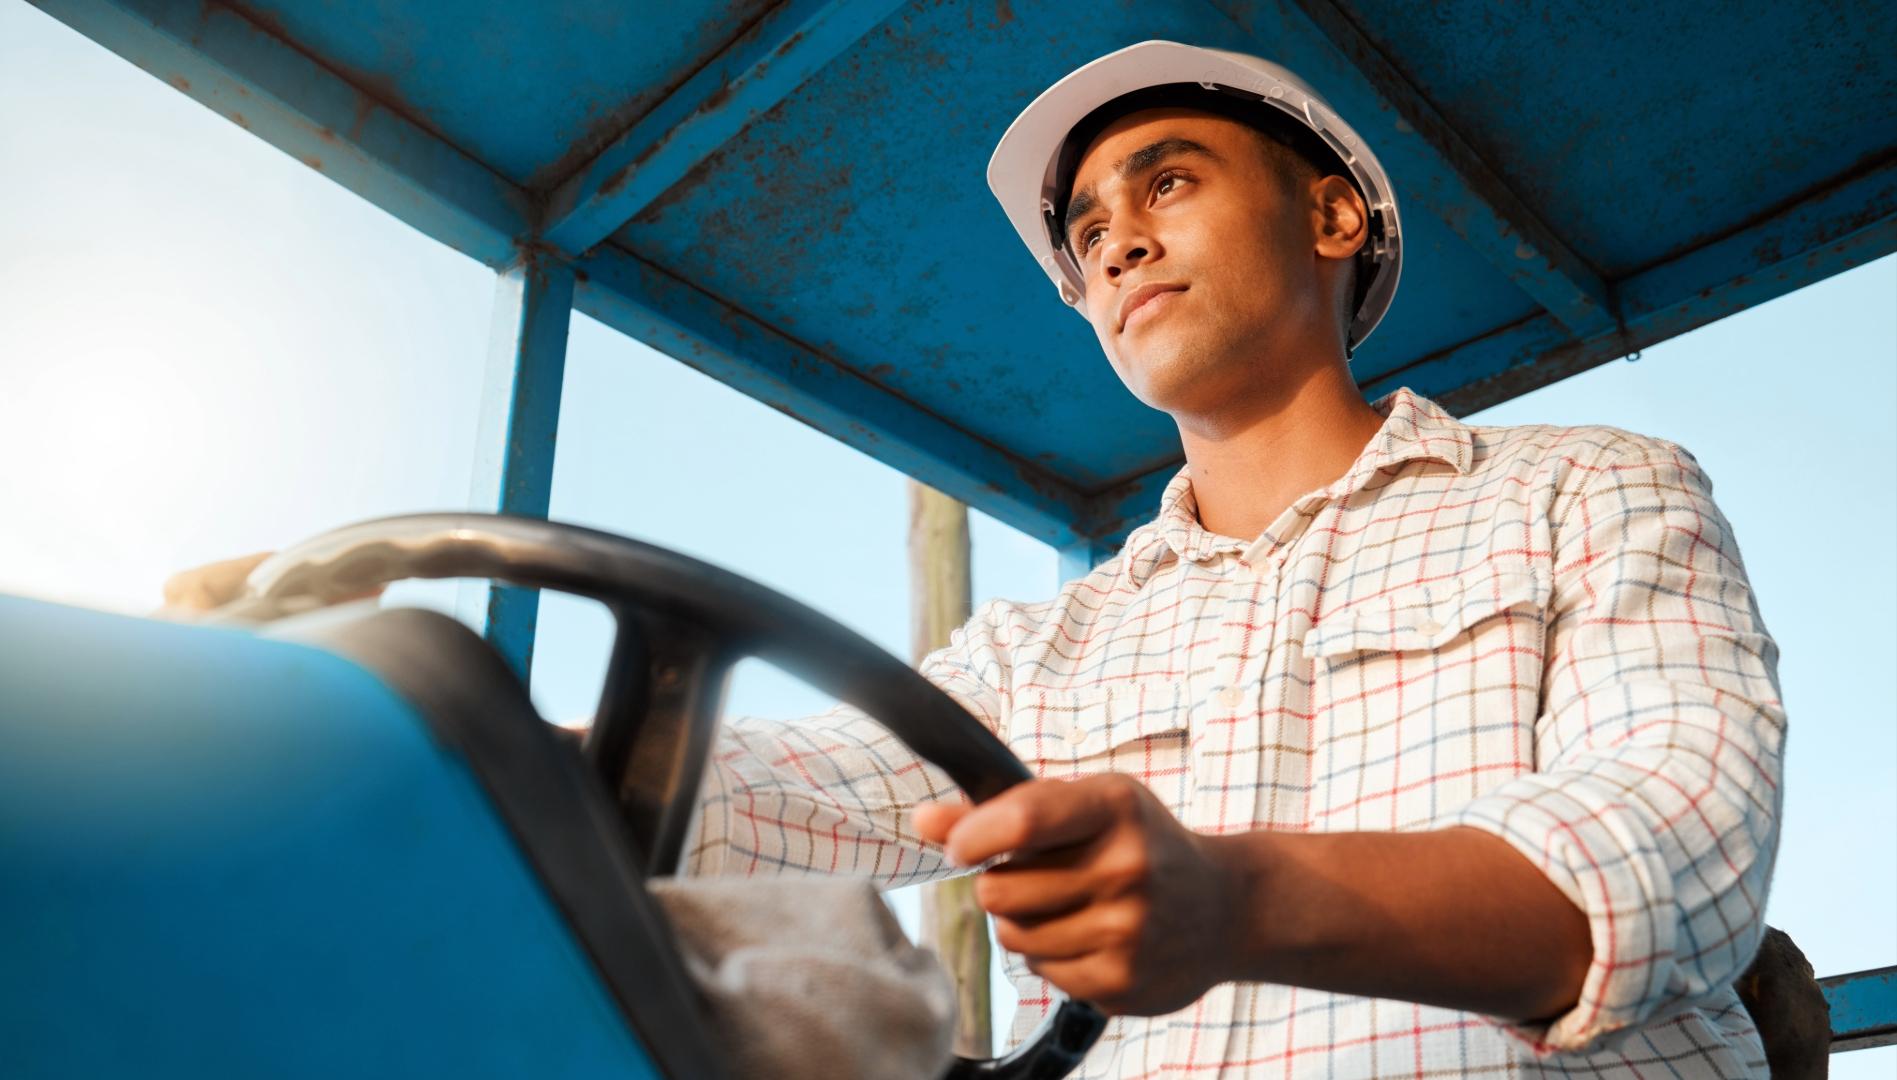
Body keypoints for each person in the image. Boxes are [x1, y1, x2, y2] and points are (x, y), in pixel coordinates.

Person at [168, 41, 1784, 1080]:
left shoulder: (1592, 491)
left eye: (1169, 182)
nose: (1118, 242)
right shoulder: (1041, 655)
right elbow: (770, 790)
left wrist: (1233, 898)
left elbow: (1673, 851)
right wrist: (401, 735)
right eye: (1087, 232)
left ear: (1336, 216)